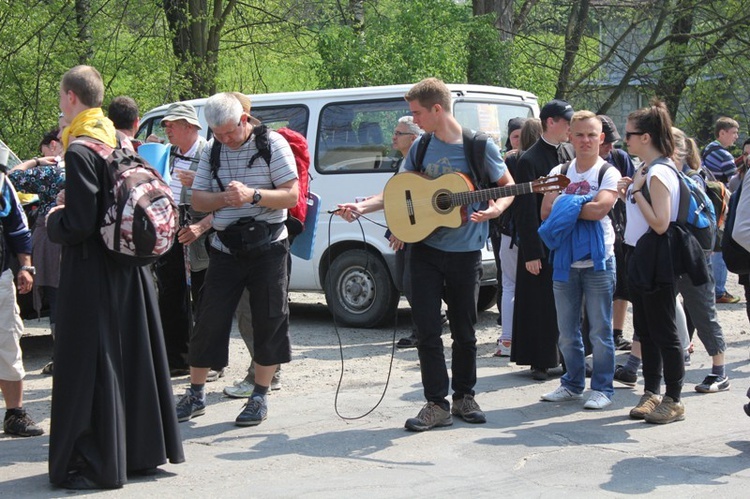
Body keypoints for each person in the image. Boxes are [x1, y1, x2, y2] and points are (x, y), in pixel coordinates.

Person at [342, 78, 514, 431]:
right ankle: (436, 403)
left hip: (465, 253)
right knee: (426, 330)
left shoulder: (478, 146)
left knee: (465, 330)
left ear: (438, 109)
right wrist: (362, 206)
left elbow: (507, 187)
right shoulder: (420, 148)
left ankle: (465, 395)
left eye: (418, 112)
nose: (414, 120)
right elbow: (399, 193)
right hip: (424, 251)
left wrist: (496, 209)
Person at [47, 65, 184, 489]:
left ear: (71, 97)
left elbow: (81, 223)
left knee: (91, 364)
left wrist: (55, 219)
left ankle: (95, 460)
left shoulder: (79, 148)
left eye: (60, 96)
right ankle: (141, 453)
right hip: (131, 270)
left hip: (94, 274)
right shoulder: (116, 137)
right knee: (132, 360)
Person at [175, 92, 298, 427]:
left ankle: (259, 396)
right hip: (226, 249)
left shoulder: (272, 145)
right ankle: (196, 393)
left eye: (230, 131)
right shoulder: (213, 149)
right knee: (208, 320)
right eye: (218, 133)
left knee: (268, 321)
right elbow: (199, 200)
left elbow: (291, 194)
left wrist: (253, 195)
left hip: (269, 246)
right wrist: (226, 199)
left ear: (245, 120)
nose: (225, 139)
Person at [620, 100, 708, 424]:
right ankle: (652, 392)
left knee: (664, 332)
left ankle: (674, 398)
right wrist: (630, 191)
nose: (624, 139)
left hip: (656, 258)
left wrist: (638, 193)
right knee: (644, 329)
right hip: (640, 256)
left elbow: (659, 222)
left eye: (629, 134)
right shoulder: (644, 169)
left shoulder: (657, 172)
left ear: (646, 137)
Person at [538, 111, 620, 410]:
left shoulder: (607, 172)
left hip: (598, 261)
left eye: (591, 135)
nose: (585, 140)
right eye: (580, 134)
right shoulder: (559, 169)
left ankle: (603, 389)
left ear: (601, 138)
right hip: (565, 261)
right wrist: (582, 203)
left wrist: (567, 203)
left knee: (600, 330)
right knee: (567, 330)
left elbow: (601, 211)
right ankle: (572, 383)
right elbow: (546, 212)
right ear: (570, 137)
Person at [511, 99, 575, 380]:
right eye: (566, 122)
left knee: (566, 300)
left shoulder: (568, 152)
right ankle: (539, 359)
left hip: (564, 238)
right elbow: (524, 210)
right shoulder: (529, 159)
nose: (571, 128)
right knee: (538, 301)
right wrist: (531, 252)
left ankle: (565, 357)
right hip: (539, 239)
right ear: (551, 122)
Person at [152, 103, 216, 379]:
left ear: (190, 127)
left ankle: (211, 361)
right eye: (166, 125)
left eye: (172, 125)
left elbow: (226, 200)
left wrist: (201, 227)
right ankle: (178, 358)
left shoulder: (210, 154)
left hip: (202, 236)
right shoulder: (167, 155)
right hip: (172, 234)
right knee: (171, 296)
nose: (167, 130)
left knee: (206, 299)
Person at [9, 129, 66, 375]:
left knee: (56, 297)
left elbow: (11, 177)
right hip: (78, 238)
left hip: (52, 239)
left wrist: (36, 161)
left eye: (43, 149)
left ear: (53, 145)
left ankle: (61, 356)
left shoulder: (49, 171)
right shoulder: (86, 166)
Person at [493, 118, 541, 357]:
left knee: (510, 285)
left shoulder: (513, 159)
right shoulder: (544, 158)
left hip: (510, 233)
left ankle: (507, 340)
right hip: (533, 234)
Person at [0, 170, 42, 437]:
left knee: (7, 343)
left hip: (0, 277)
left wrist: (26, 267)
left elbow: (17, 226)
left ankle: (15, 413)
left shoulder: (1, 181)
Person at [597, 115, 634, 351]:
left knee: (622, 284)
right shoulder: (578, 162)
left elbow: (633, 192)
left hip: (620, 228)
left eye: (613, 141)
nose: (611, 146)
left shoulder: (619, 157)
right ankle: (599, 333)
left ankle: (617, 333)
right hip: (596, 230)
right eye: (607, 142)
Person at [702, 117, 740, 304]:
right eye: (733, 132)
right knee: (720, 247)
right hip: (720, 204)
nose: (736, 137)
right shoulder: (723, 155)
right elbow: (734, 181)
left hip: (710, 203)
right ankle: (719, 291)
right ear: (722, 133)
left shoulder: (708, 149)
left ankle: (715, 289)